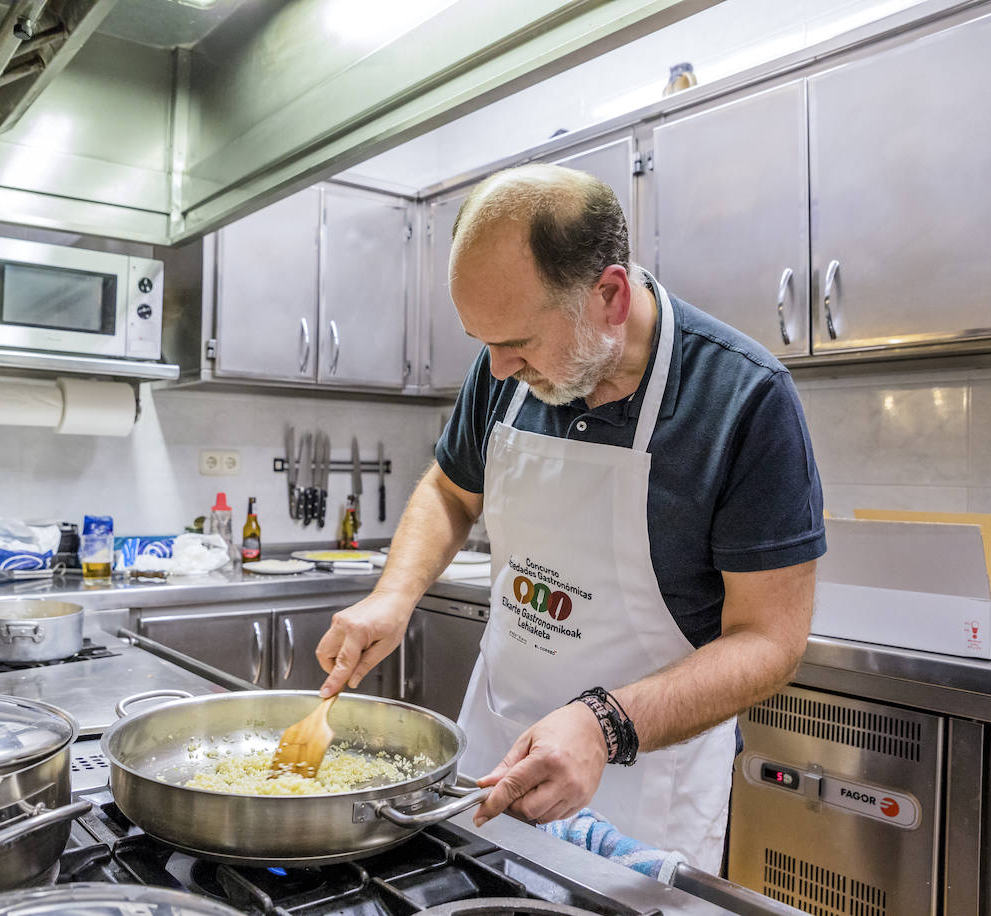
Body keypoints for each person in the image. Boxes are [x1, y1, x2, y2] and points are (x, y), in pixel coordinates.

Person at [314, 163, 825, 871]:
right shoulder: (506, 368)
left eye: (518, 344)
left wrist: (605, 725)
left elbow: (771, 640)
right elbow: (450, 491)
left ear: (610, 295)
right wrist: (392, 597)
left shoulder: (744, 399)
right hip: (493, 753)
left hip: (641, 791)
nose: (495, 370)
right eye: (484, 344)